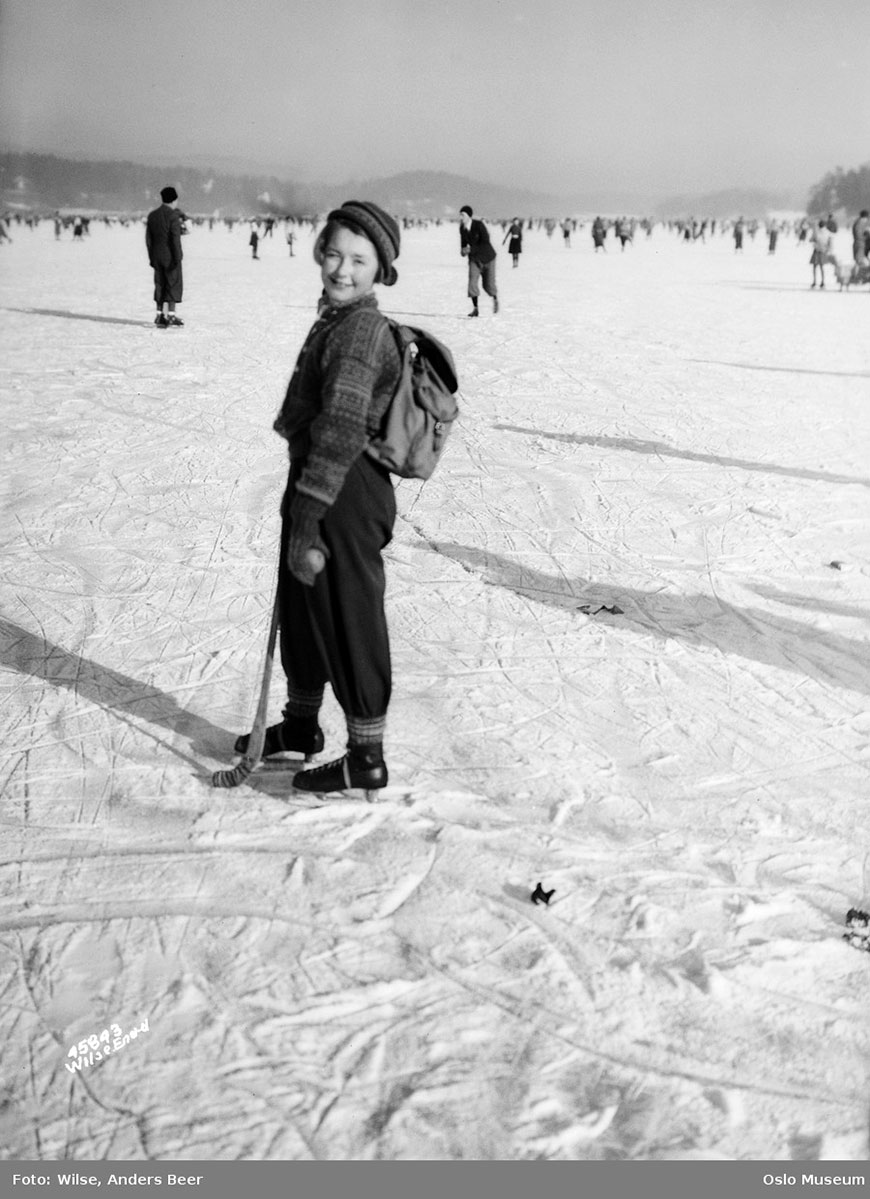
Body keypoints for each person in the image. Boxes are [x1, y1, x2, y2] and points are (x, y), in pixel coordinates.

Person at [234, 200, 403, 797]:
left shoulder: (358, 329)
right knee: (305, 610)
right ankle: (302, 725)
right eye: (333, 253)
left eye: (359, 259)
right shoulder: (337, 316)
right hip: (319, 480)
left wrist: (308, 512)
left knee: (347, 614)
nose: (342, 268)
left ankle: (366, 754)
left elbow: (339, 429)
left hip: (342, 489)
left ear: (380, 268)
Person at [146, 186, 184, 327]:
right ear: (174, 199)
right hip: (170, 256)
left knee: (160, 284)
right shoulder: (173, 216)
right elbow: (175, 239)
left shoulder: (153, 215)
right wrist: (178, 257)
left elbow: (148, 239)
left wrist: (151, 257)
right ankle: (172, 316)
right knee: (173, 284)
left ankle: (159, 315)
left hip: (156, 256)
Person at [459, 205, 498, 317]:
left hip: (488, 258)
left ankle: (495, 298)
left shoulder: (479, 225)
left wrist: (471, 249)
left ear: (469, 216)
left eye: (463, 215)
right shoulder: (462, 228)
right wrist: (463, 250)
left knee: (488, 285)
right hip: (474, 259)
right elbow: (463, 243)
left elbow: (485, 242)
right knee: (472, 283)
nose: (461, 217)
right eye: (460, 215)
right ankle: (475, 309)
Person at [809, 218, 833, 288]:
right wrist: (829, 249)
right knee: (822, 267)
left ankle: (814, 281)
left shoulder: (816, 232)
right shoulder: (828, 232)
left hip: (817, 250)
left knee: (815, 267)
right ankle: (822, 281)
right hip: (823, 251)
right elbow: (830, 242)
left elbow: (811, 240)